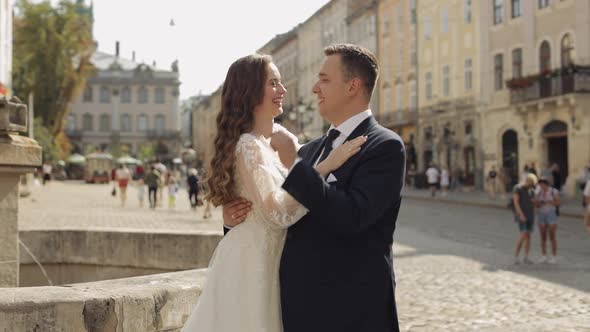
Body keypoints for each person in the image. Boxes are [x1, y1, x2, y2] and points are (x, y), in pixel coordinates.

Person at [222, 44, 405, 332]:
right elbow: (277, 214)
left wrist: (296, 167)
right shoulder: (309, 149)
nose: (314, 88)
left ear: (352, 86)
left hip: (352, 311)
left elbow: (352, 217)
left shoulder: (384, 146)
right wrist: (234, 221)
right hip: (297, 310)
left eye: (324, 79)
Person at [182, 53, 367, 332]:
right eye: (273, 83)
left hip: (271, 261)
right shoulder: (249, 145)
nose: (283, 90)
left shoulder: (275, 140)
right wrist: (328, 165)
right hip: (252, 262)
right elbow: (276, 213)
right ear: (250, 90)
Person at [512, 173, 537, 265]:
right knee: (523, 235)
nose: (529, 184)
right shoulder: (517, 188)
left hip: (530, 215)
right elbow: (516, 203)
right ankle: (516, 256)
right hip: (522, 215)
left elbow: (534, 205)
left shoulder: (532, 191)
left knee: (528, 237)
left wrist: (534, 202)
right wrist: (521, 215)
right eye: (528, 181)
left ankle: (526, 257)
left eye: (531, 182)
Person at [535, 177, 560, 263]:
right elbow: (536, 204)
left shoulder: (553, 191)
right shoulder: (538, 192)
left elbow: (558, 203)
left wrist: (549, 201)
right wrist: (538, 203)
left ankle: (554, 256)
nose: (541, 186)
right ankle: (544, 255)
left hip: (551, 214)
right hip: (541, 214)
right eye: (540, 184)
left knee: (552, 235)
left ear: (546, 184)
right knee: (543, 236)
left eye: (542, 184)